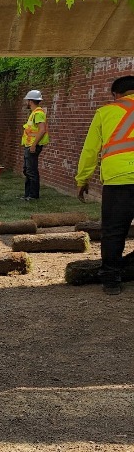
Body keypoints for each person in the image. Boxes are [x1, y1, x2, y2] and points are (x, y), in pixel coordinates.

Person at [75, 74, 134, 295]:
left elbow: (90, 151)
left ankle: (111, 279)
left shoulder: (105, 112)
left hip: (118, 180)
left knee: (113, 232)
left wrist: (82, 180)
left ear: (116, 95)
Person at [21, 89, 50, 201]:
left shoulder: (38, 114)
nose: (26, 102)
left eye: (27, 100)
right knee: (27, 170)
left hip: (33, 146)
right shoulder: (34, 113)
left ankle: (33, 195)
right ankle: (28, 194)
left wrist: (33, 145)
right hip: (29, 145)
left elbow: (42, 130)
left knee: (31, 170)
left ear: (30, 101)